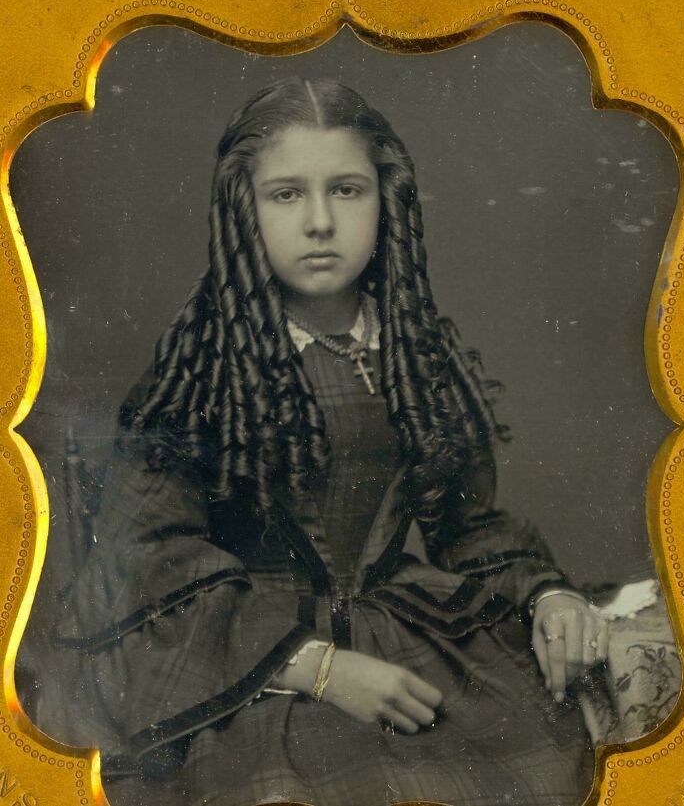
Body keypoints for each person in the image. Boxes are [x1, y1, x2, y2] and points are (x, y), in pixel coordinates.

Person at [54, 77, 609, 806]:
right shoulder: (202, 370)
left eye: (347, 191)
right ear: (243, 211)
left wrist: (548, 591)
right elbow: (154, 567)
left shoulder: (414, 354)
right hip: (254, 666)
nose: (320, 221)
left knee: (531, 762)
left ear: (388, 203)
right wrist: (320, 668)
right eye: (286, 194)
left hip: (409, 631)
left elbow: (466, 524)